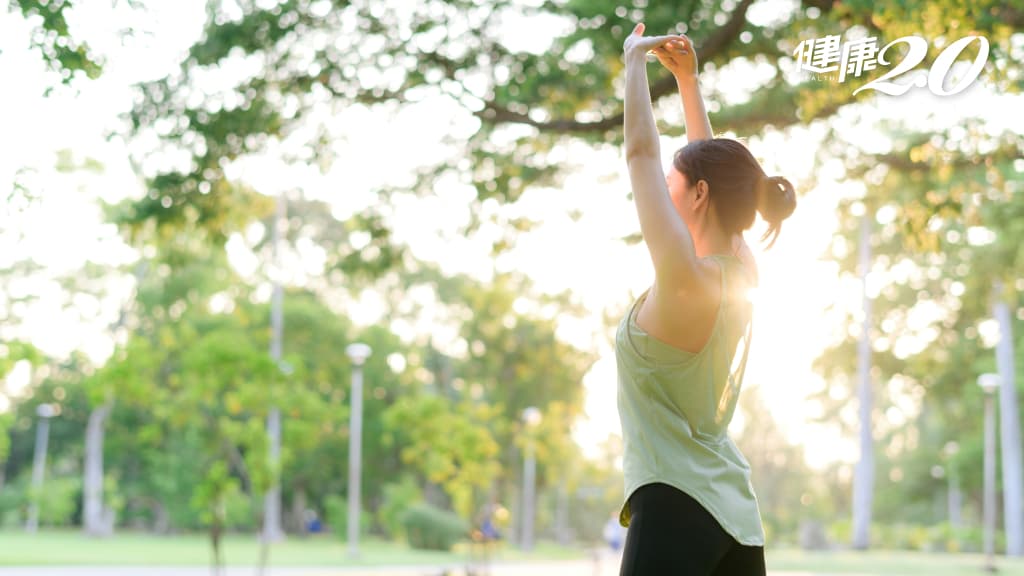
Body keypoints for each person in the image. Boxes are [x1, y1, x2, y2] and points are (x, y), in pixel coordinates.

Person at [616, 23, 797, 576]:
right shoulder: (739, 270)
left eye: (678, 180)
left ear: (697, 194)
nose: (665, 186)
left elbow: (642, 155)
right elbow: (718, 182)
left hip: (674, 505)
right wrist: (689, 84)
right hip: (736, 517)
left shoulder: (684, 279)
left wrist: (633, 65)